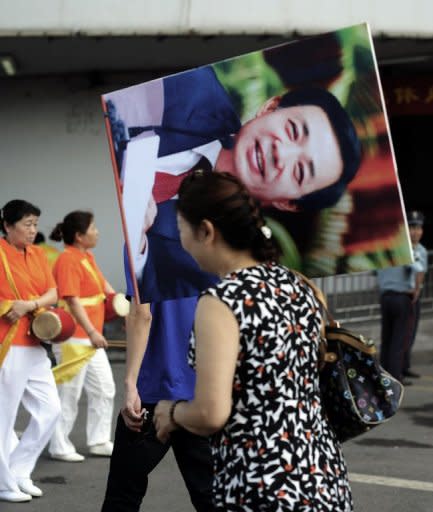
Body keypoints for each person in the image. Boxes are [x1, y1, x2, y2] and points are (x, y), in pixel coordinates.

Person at [153, 172, 353, 511]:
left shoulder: (222, 301)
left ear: (206, 231)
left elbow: (210, 413)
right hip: (323, 477)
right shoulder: (299, 284)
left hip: (263, 484)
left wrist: (170, 412)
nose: (181, 240)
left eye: (181, 229)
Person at [105, 65, 362, 304]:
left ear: (288, 203)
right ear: (270, 107)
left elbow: (146, 303)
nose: (280, 154)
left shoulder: (221, 267)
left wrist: (137, 247)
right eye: (293, 130)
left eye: (300, 171)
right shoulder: (190, 86)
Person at [0, 199, 61, 503]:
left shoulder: (37, 253)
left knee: (51, 409)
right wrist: (13, 307)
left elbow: (53, 292)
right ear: (7, 226)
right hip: (7, 344)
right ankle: (3, 482)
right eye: (27, 224)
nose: (33, 230)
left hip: (35, 341)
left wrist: (31, 305)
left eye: (35, 224)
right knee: (4, 417)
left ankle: (19, 470)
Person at [48, 210, 116, 462]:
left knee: (105, 389)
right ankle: (59, 444)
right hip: (74, 336)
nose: (97, 232)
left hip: (90, 336)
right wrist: (91, 331)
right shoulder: (67, 259)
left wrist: (124, 301)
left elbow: (105, 289)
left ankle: (99, 440)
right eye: (93, 228)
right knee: (69, 392)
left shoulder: (87, 257)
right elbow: (72, 301)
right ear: (79, 236)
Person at [376, 211, 426, 384]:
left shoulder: (386, 247)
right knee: (400, 338)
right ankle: (396, 376)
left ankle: (383, 372)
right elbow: (419, 269)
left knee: (387, 337)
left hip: (386, 296)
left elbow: (376, 272)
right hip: (402, 296)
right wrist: (417, 289)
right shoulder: (408, 250)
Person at [402, 210, 428, 379]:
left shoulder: (422, 251)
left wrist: (418, 291)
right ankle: (398, 370)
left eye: (418, 228)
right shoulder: (402, 250)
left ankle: (405, 366)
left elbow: (422, 272)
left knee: (410, 333)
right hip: (403, 296)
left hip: (415, 297)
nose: (415, 232)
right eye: (411, 227)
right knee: (401, 336)